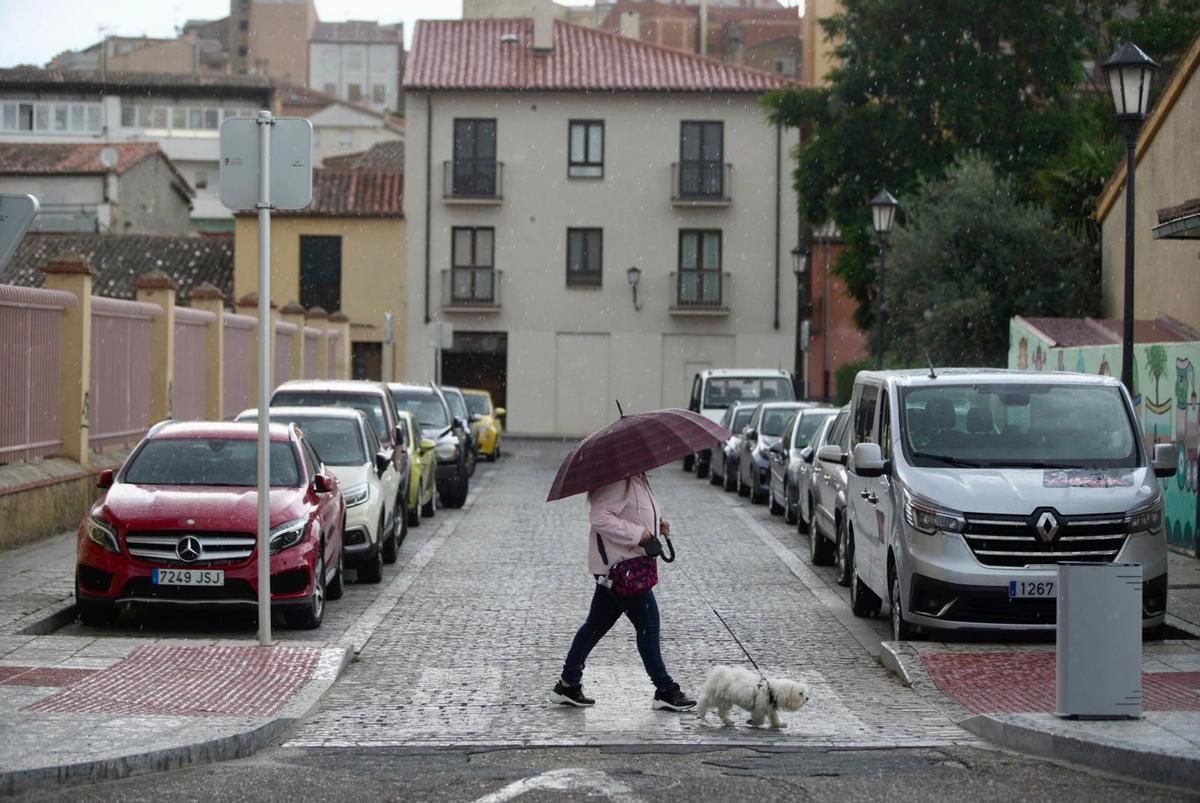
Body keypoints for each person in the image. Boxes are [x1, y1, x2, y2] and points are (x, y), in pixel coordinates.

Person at [551, 473, 696, 711]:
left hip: (626, 566)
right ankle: (665, 689)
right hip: (620, 569)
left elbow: (632, 514)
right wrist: (639, 534)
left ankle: (568, 684)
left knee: (595, 626)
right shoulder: (618, 481)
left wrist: (657, 526)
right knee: (648, 624)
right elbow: (599, 517)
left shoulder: (638, 480)